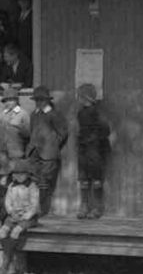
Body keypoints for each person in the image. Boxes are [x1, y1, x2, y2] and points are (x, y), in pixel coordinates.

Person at [28, 86, 69, 216]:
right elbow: (32, 130)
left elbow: (62, 133)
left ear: (47, 100)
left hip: (48, 154)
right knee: (34, 179)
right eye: (36, 100)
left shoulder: (54, 114)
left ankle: (43, 209)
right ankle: (34, 208)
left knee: (45, 181)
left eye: (41, 100)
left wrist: (53, 144)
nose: (39, 102)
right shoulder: (34, 114)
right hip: (34, 152)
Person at [0, 158, 40, 274]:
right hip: (13, 215)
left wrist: (25, 216)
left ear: (27, 174)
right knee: (2, 231)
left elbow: (34, 205)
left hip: (28, 217)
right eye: (16, 174)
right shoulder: (11, 186)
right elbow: (8, 202)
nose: (19, 176)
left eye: (22, 174)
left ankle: (6, 262)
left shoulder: (32, 186)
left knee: (15, 231)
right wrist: (11, 212)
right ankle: (8, 256)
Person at [76, 82, 111, 219]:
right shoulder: (80, 113)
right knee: (83, 178)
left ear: (86, 97)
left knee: (96, 178)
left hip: (95, 149)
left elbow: (106, 130)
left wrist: (94, 140)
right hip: (84, 148)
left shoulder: (97, 113)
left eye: (80, 96)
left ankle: (97, 207)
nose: (78, 98)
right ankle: (84, 206)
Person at [0, 86, 30, 170]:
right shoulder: (2, 115)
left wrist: (18, 127)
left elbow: (28, 133)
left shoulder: (22, 114)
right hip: (2, 151)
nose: (8, 103)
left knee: (16, 171)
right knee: (4, 172)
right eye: (6, 101)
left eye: (11, 100)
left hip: (16, 150)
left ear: (16, 101)